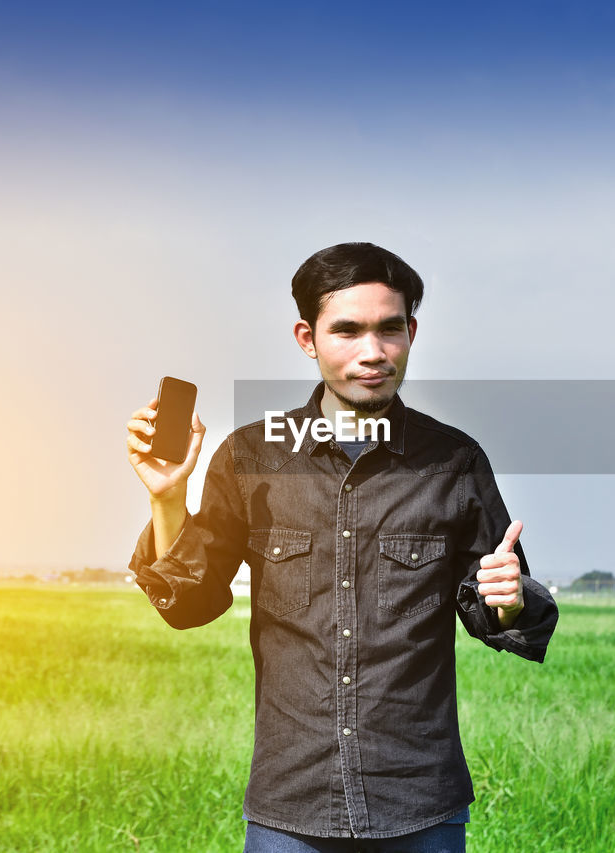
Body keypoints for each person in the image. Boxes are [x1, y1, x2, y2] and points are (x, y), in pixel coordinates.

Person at [124, 242, 558, 852]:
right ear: (308, 337)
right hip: (290, 807)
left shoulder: (454, 460)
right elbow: (187, 604)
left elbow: (498, 611)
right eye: (347, 331)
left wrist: (509, 600)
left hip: (419, 805)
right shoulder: (252, 457)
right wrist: (168, 500)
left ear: (411, 331)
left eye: (389, 330)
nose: (371, 353)